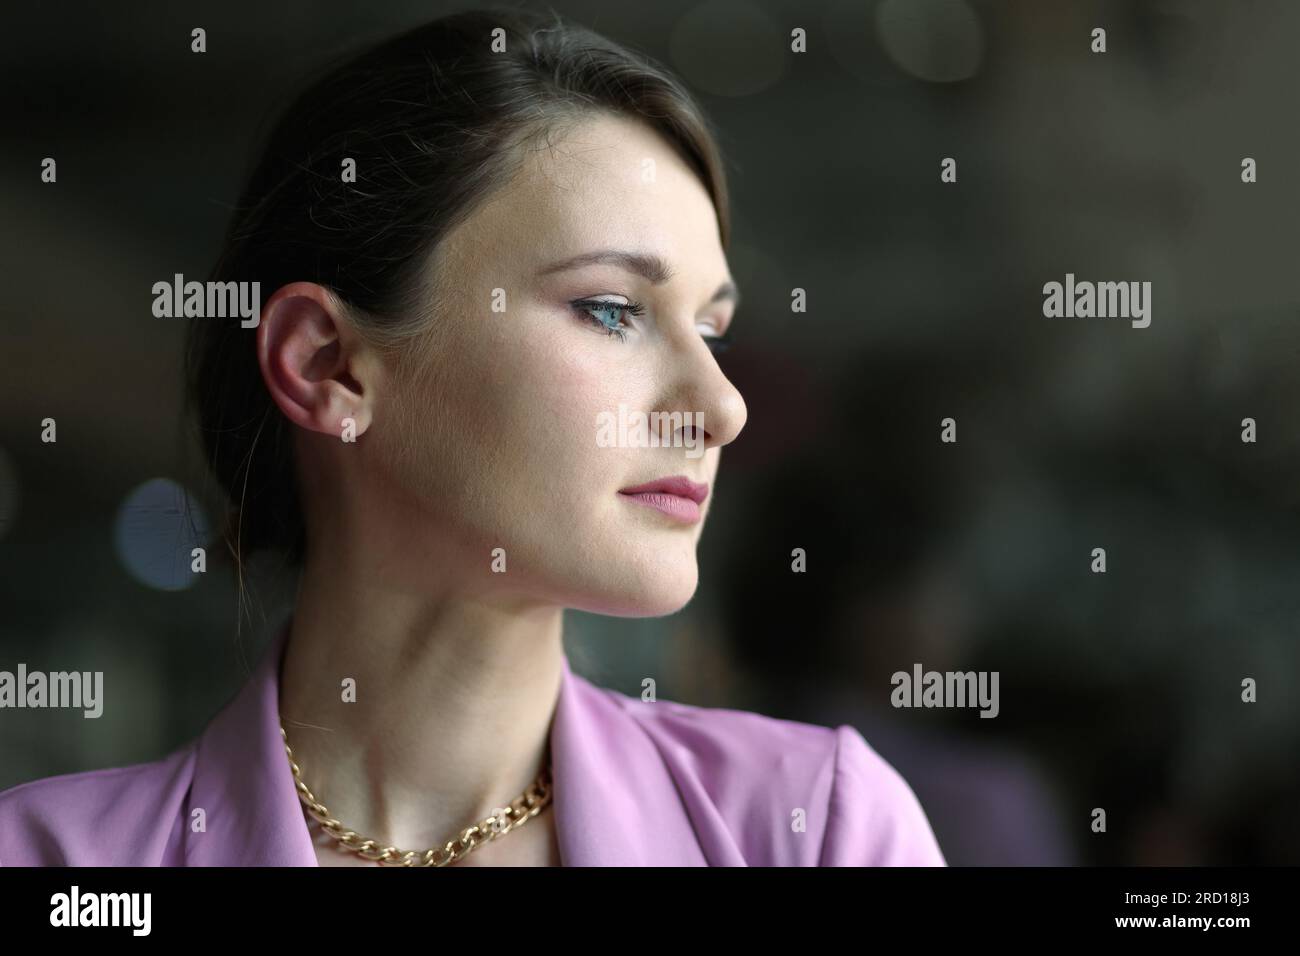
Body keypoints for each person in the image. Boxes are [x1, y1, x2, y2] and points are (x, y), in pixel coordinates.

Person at [0, 8, 945, 867]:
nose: (722, 408)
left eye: (712, 329)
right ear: (327, 364)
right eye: (613, 310)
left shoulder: (820, 829)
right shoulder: (53, 861)